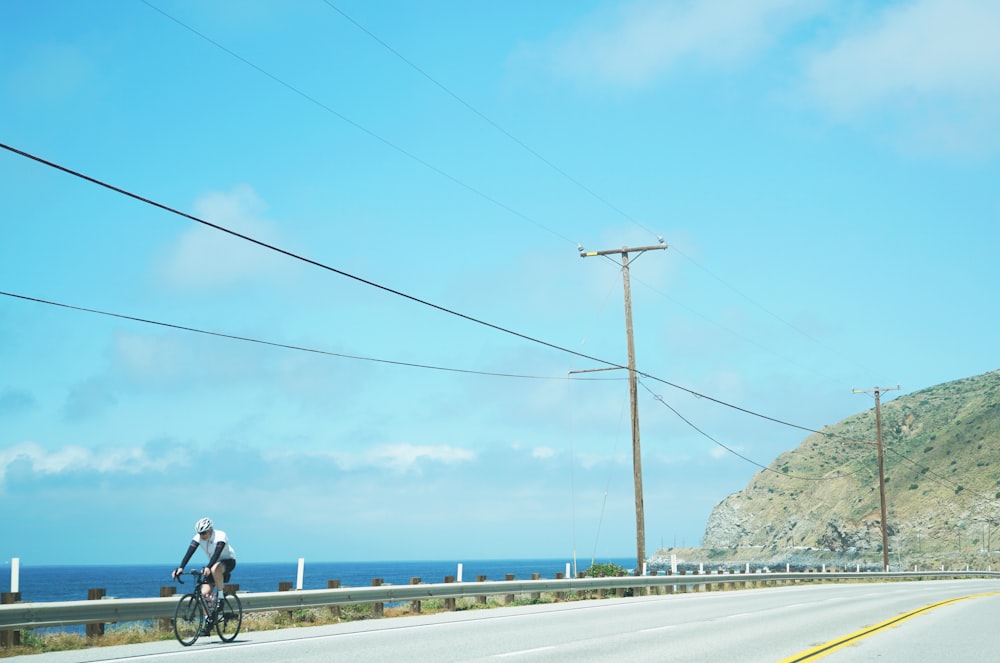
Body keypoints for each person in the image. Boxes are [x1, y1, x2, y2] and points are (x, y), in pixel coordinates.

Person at [171, 517, 237, 617]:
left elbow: (216, 554)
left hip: (228, 561)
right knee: (203, 594)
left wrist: (208, 567)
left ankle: (221, 596)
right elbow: (189, 553)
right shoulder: (198, 537)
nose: (201, 536)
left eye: (204, 533)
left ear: (210, 530)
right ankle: (208, 620)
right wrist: (181, 568)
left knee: (215, 569)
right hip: (212, 563)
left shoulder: (220, 536)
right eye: (199, 533)